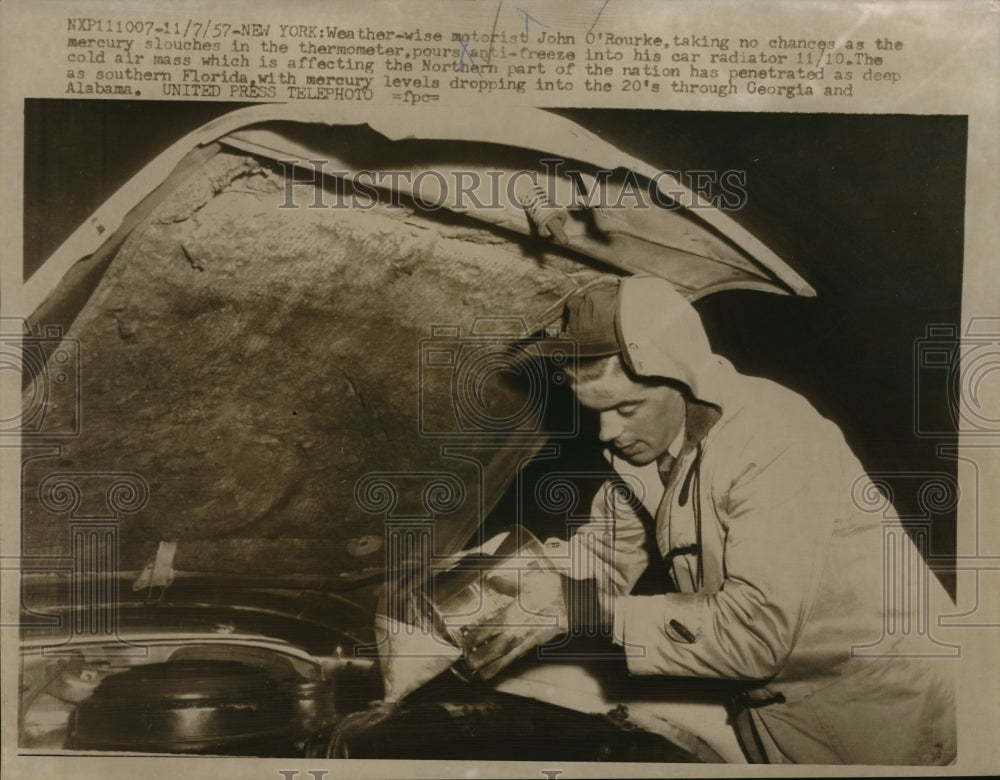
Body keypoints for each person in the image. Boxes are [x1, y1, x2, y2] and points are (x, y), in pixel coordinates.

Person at [460, 274, 956, 764]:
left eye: (626, 407)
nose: (607, 432)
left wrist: (589, 607)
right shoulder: (646, 448)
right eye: (593, 413)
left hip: (883, 715)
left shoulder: (775, 441)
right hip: (776, 714)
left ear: (683, 380)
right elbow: (604, 558)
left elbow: (757, 635)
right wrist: (502, 578)